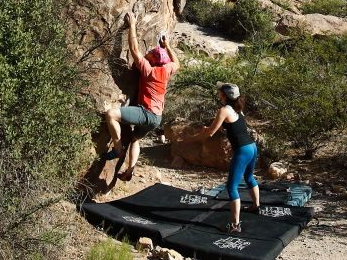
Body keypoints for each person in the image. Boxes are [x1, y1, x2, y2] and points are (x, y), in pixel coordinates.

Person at [103, 12, 180, 181]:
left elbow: (134, 50)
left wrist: (132, 26)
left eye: (151, 55)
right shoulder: (166, 70)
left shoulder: (149, 71)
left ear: (152, 61)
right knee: (135, 138)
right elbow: (177, 63)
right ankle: (130, 169)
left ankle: (117, 149)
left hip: (146, 113)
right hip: (157, 118)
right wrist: (167, 46)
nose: (148, 55)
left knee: (111, 115)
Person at [199, 83, 260, 234]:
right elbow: (229, 126)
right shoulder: (238, 109)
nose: (218, 93)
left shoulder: (224, 110)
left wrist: (195, 136)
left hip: (243, 150)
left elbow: (211, 133)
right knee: (249, 176)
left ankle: (235, 225)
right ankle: (256, 206)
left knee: (231, 187)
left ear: (224, 95)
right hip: (252, 147)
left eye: (220, 91)